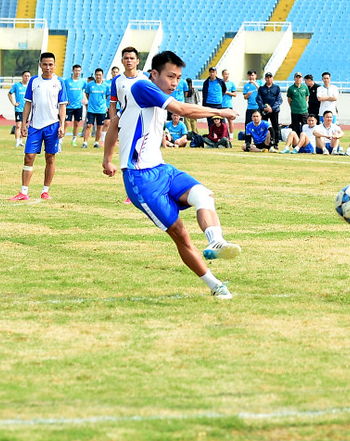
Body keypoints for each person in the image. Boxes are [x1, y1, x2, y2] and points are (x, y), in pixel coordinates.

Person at [103, 49, 241, 300]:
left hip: (162, 169)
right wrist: (220, 111)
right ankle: (215, 285)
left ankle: (216, 242)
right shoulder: (143, 88)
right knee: (180, 234)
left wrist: (107, 158)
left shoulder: (145, 90)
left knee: (203, 195)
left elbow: (115, 122)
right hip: (140, 179)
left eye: (178, 77)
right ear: (154, 74)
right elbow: (183, 110)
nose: (175, 82)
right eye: (170, 76)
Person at [11, 52, 67, 201]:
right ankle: (23, 192)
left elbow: (62, 106)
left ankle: (45, 190)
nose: (48, 67)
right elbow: (28, 103)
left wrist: (61, 125)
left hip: (53, 126)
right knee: (28, 157)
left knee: (50, 158)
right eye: (45, 64)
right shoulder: (34, 81)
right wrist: (24, 123)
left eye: (50, 64)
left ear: (54, 65)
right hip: (35, 126)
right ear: (40, 65)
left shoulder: (60, 82)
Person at [81, 68, 109, 148]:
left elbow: (106, 96)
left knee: (100, 126)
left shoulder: (105, 86)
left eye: (100, 75)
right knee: (89, 125)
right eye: (97, 75)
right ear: (95, 75)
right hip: (91, 109)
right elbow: (87, 95)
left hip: (101, 110)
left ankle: (96, 142)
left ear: (102, 75)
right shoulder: (90, 85)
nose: (98, 76)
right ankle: (85, 142)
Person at [256, 72, 283, 150]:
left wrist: (272, 108)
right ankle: (263, 142)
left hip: (274, 111)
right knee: (263, 126)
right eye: (267, 77)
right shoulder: (261, 88)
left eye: (270, 77)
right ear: (265, 79)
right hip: (264, 111)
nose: (269, 79)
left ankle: (275, 143)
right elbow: (258, 99)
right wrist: (263, 107)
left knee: (275, 126)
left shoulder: (276, 88)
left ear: (272, 78)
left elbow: (279, 100)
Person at [64, 64, 87, 146]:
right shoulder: (67, 81)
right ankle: (61, 139)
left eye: (79, 71)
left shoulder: (83, 82)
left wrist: (84, 98)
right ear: (73, 71)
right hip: (69, 106)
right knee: (66, 123)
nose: (77, 72)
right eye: (76, 70)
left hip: (78, 106)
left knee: (77, 123)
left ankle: (74, 139)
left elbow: (86, 91)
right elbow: (63, 92)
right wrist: (65, 100)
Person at [201, 67, 227, 135]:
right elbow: (204, 94)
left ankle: (225, 136)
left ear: (216, 73)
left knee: (222, 122)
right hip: (209, 104)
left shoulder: (220, 81)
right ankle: (211, 137)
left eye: (213, 72)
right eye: (211, 72)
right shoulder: (206, 82)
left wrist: (220, 97)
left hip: (218, 104)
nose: (212, 73)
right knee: (210, 122)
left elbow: (224, 89)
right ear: (209, 73)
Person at [8, 70, 31, 147]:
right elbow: (9, 93)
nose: (27, 77)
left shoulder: (30, 86)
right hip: (19, 109)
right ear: (22, 76)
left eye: (28, 76)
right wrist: (13, 103)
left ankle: (21, 141)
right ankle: (17, 141)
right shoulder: (17, 85)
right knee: (18, 125)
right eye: (25, 76)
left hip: (27, 110)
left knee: (24, 125)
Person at [287, 72, 310, 137]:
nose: (298, 79)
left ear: (302, 78)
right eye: (296, 77)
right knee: (295, 128)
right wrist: (293, 106)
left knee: (305, 127)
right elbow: (289, 99)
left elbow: (306, 97)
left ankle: (305, 141)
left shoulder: (305, 87)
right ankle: (296, 142)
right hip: (295, 111)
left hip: (304, 111)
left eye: (299, 77)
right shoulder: (291, 88)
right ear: (294, 78)